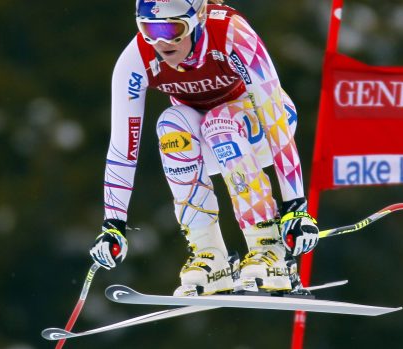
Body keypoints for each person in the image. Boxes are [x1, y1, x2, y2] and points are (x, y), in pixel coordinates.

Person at [89, 0, 319, 296]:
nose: (161, 42)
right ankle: (210, 256)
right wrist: (113, 223)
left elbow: (273, 116)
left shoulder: (231, 34)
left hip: (265, 124)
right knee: (170, 124)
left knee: (218, 122)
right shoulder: (136, 59)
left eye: (173, 29)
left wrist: (295, 207)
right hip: (210, 142)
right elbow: (123, 147)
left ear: (197, 18)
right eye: (149, 30)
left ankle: (269, 249)